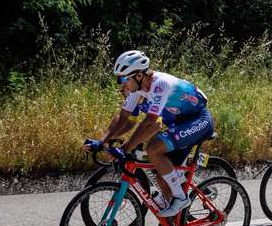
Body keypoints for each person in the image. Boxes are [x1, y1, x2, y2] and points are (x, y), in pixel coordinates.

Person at [89, 50, 214, 217]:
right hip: (177, 123)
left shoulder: (160, 84)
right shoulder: (137, 89)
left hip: (198, 120)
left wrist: (126, 147)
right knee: (160, 171)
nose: (122, 84)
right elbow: (124, 118)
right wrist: (102, 141)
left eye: (124, 79)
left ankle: (180, 197)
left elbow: (150, 121)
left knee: (153, 149)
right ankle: (173, 219)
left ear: (139, 76)